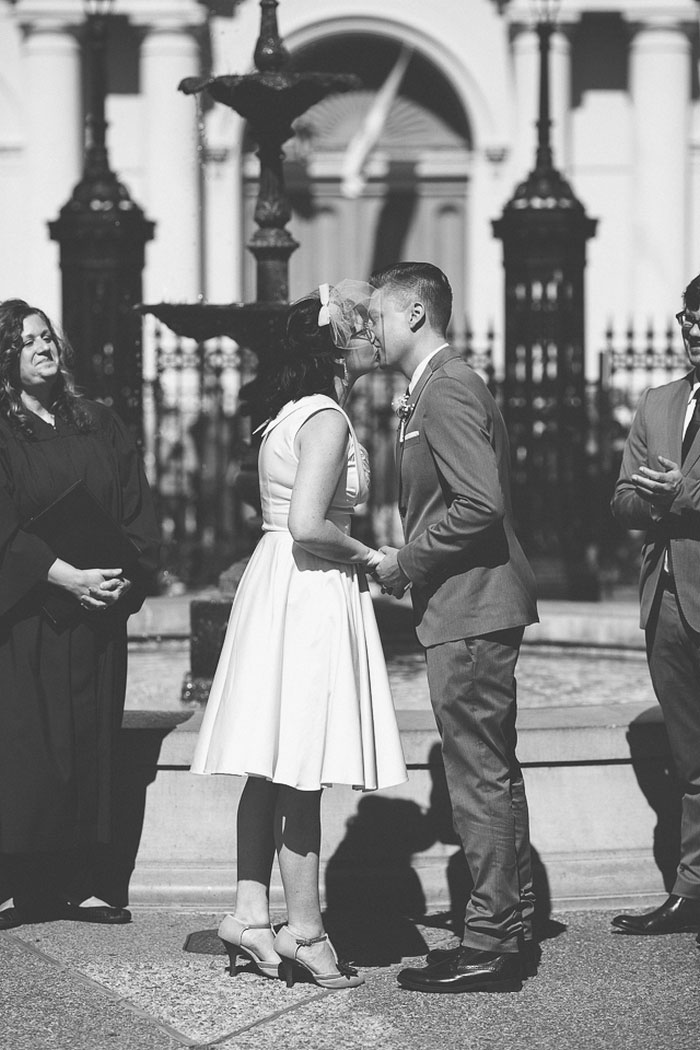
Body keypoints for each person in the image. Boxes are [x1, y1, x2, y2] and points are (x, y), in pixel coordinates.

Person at [190, 282, 407, 990]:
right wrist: (375, 559)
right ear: (337, 345)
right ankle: (305, 931)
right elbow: (311, 523)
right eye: (361, 325)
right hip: (308, 584)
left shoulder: (287, 413)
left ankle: (251, 915)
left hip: (277, 579)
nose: (375, 332)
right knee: (302, 767)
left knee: (269, 762)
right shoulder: (327, 419)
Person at [368, 262, 539, 993]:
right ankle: (504, 927)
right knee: (491, 771)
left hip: (470, 608)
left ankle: (492, 947)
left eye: (377, 318)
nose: (370, 333)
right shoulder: (433, 390)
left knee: (477, 777)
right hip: (469, 607)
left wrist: (405, 562)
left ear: (413, 314)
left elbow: (480, 505)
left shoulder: (446, 388)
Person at [0, 299, 159, 931]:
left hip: (97, 614)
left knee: (91, 748)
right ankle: (20, 883)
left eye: (46, 337)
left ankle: (79, 881)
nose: (43, 347)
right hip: (30, 619)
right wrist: (62, 575)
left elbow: (135, 509)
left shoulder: (100, 422)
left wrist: (122, 576)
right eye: (26, 341)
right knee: (30, 752)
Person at [610, 273, 700, 937]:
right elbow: (621, 500)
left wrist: (680, 494)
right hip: (667, 600)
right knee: (691, 758)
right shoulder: (658, 403)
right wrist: (657, 496)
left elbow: (672, 495)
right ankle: (691, 889)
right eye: (686, 320)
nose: (691, 332)